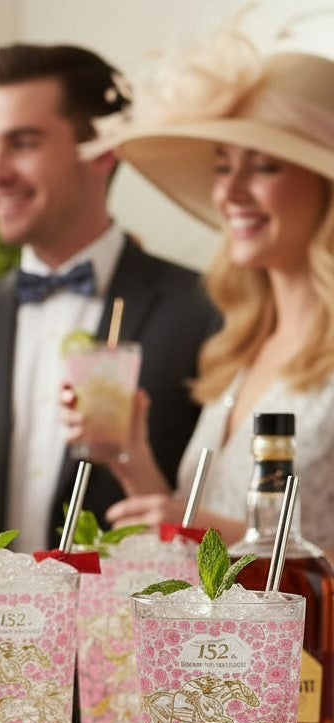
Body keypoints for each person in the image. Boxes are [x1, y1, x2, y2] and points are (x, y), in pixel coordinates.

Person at [0, 43, 220, 705]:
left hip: (127, 699)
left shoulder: (206, 311)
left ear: (101, 151)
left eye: (21, 143)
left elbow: (212, 526)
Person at [63, 29, 334, 553]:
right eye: (222, 166)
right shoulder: (242, 348)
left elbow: (220, 537)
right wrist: (132, 457)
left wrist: (221, 534)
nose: (229, 193)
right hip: (223, 639)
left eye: (264, 165)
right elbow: (200, 554)